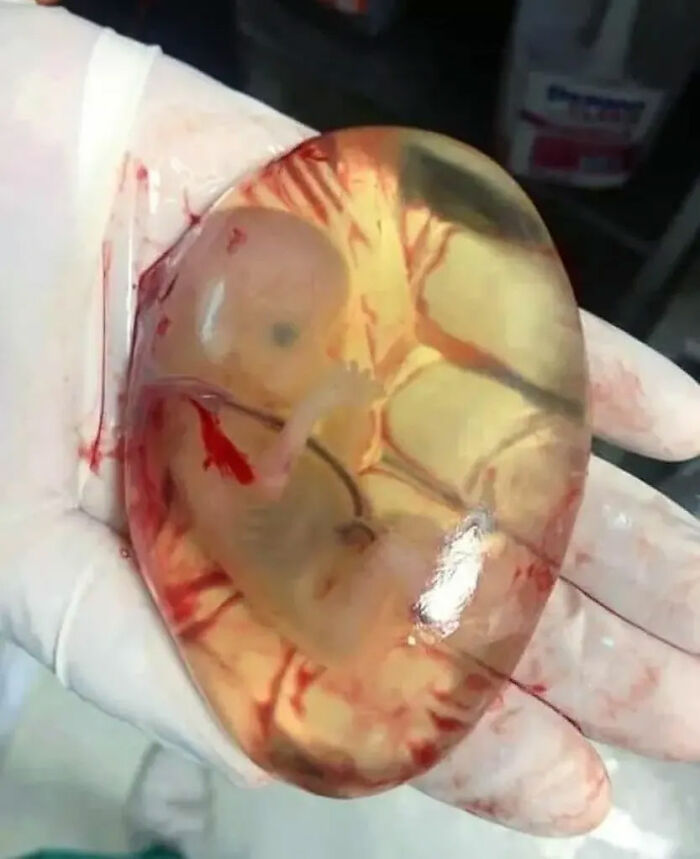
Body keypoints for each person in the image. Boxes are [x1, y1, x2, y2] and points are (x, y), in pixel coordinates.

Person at [2, 0, 700, 850]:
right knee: (407, 560)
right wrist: (323, 409)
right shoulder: (201, 426)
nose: (308, 356)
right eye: (289, 333)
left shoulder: (226, 402)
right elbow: (260, 480)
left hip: (325, 560)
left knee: (426, 549)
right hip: (306, 579)